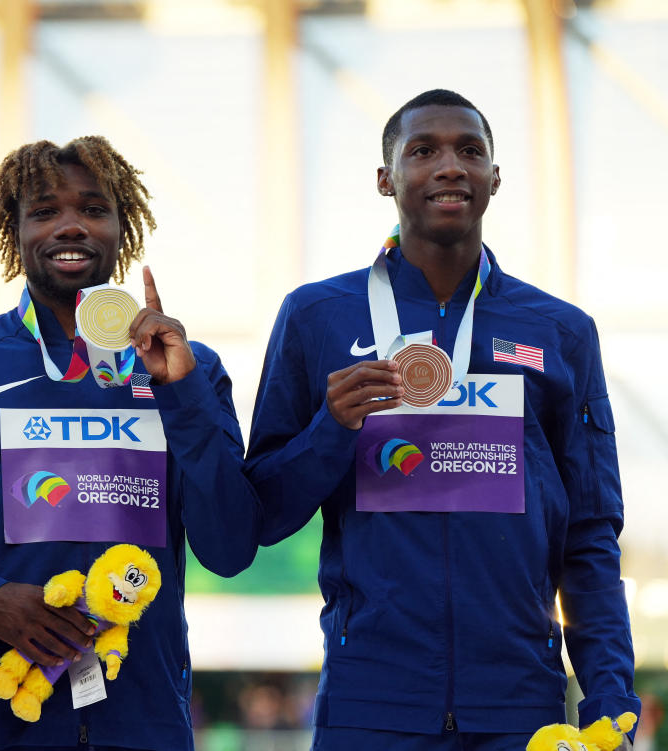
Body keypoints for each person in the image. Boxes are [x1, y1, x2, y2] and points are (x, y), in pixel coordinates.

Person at [244, 89, 640, 749]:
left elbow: (591, 537)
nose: (450, 165)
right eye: (423, 150)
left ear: (495, 177)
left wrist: (612, 701)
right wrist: (330, 430)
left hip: (522, 705)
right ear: (386, 178)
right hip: (369, 704)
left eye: (471, 150)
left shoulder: (560, 330)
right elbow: (262, 512)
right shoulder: (317, 316)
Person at [0, 136, 262, 750]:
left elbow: (229, 548)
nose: (70, 225)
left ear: (122, 229)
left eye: (94, 209)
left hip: (145, 726)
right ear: (12, 229)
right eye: (45, 211)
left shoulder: (189, 369)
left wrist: (181, 397)